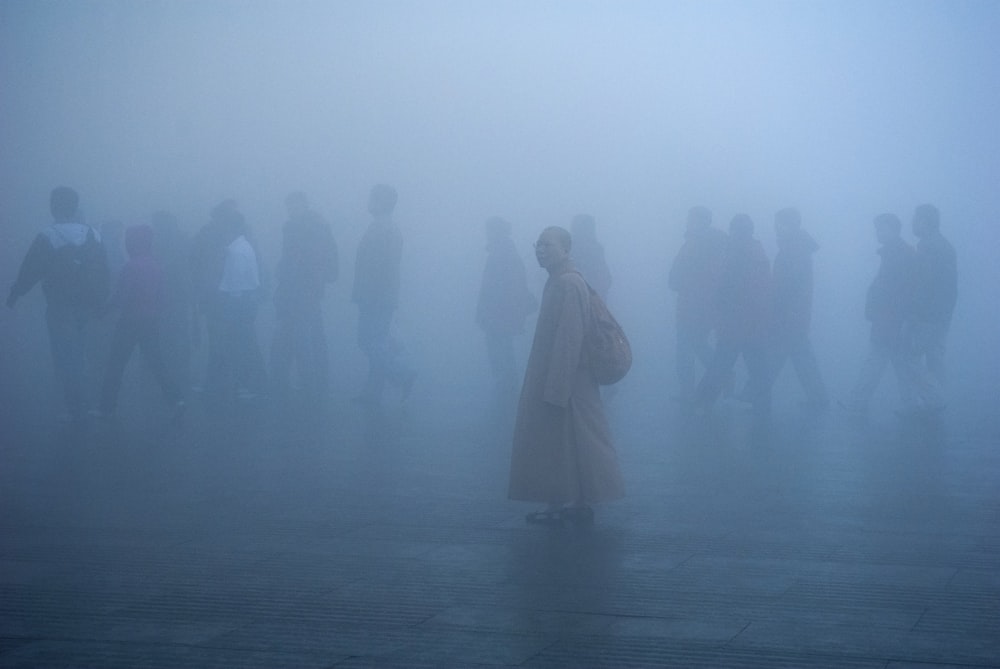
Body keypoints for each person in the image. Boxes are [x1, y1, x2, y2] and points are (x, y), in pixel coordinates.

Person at [509, 226, 624, 526]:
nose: (540, 250)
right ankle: (574, 499)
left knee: (564, 440)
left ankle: (563, 500)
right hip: (568, 376)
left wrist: (557, 386)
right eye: (538, 244)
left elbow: (570, 337)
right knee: (577, 440)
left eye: (548, 245)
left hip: (566, 377)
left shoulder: (567, 284)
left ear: (565, 249)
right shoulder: (561, 280)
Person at [6, 186, 110, 423]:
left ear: (54, 207)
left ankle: (74, 406)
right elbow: (104, 271)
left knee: (64, 353)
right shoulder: (93, 233)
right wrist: (100, 301)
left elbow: (30, 269)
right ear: (75, 206)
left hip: (59, 304)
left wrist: (15, 294)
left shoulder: (48, 235)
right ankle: (85, 398)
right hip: (85, 303)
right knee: (80, 350)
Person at [94, 224, 185, 420]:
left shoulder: (131, 266)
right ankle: (176, 399)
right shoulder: (156, 265)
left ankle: (106, 407)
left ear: (132, 243)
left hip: (129, 322)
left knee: (116, 364)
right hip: (150, 321)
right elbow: (163, 297)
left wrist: (104, 311)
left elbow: (121, 296)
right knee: (156, 362)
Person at [840, 213, 921, 416]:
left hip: (890, 318)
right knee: (899, 363)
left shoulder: (899, 255)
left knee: (877, 362)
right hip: (890, 318)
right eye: (877, 229)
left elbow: (902, 290)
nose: (877, 233)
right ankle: (911, 402)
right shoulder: (896, 253)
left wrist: (897, 317)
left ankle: (858, 402)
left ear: (893, 230)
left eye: (881, 229)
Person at [693, 214, 772, 415]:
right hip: (754, 319)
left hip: (736, 321)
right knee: (757, 365)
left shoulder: (739, 254)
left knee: (721, 363)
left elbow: (727, 289)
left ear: (736, 231)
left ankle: (702, 402)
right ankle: (763, 404)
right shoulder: (758, 253)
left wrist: (718, 307)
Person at [270, 191, 339, 400]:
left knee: (300, 335)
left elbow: (298, 259)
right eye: (289, 206)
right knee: (312, 334)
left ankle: (307, 383)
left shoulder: (303, 227)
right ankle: (316, 381)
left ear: (303, 205)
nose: (291, 210)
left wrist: (284, 274)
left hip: (300, 288)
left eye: (294, 206)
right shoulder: (316, 225)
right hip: (308, 288)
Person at [352, 184, 415, 405]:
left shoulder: (385, 229)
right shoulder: (381, 227)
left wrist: (373, 294)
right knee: (375, 341)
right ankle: (373, 391)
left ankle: (402, 375)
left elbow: (385, 267)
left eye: (372, 198)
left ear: (381, 202)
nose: (368, 202)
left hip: (376, 296)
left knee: (370, 341)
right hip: (376, 295)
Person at [201, 202, 267, 406]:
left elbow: (235, 285)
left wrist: (226, 305)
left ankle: (253, 385)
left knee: (244, 345)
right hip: (243, 301)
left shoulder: (237, 252)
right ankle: (249, 384)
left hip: (239, 303)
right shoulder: (239, 247)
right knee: (244, 344)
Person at [768, 207, 829, 408]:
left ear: (789, 225)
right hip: (795, 312)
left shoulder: (793, 249)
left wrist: (776, 307)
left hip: (789, 312)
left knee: (780, 354)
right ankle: (818, 397)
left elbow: (788, 284)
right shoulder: (796, 247)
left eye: (779, 223)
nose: (776, 227)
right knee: (800, 354)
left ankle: (756, 391)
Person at [475, 216, 536, 415]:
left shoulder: (502, 254)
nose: (487, 233)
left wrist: (492, 314)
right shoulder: (505, 252)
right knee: (503, 353)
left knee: (500, 355)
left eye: (489, 230)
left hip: (498, 316)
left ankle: (506, 399)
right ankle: (508, 395)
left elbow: (501, 289)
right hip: (500, 315)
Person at [668, 206, 727, 401]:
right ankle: (722, 376)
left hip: (691, 305)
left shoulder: (695, 245)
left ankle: (689, 391)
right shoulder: (716, 245)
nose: (687, 222)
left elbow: (678, 276)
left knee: (685, 350)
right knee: (698, 344)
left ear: (699, 222)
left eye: (690, 219)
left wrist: (678, 281)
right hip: (705, 306)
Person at [907, 203, 956, 410]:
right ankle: (934, 402)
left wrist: (914, 313)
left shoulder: (928, 247)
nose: (912, 224)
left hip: (927, 315)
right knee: (935, 359)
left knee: (909, 357)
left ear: (926, 222)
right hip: (942, 314)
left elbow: (923, 284)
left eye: (916, 220)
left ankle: (935, 400)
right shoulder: (944, 245)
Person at [569, 214, 611, 300]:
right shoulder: (596, 248)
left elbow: (604, 279)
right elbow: (606, 279)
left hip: (583, 299)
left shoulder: (568, 248)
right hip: (595, 300)